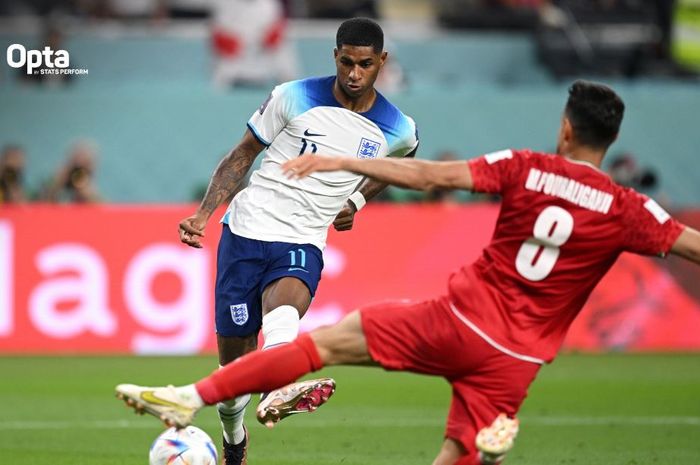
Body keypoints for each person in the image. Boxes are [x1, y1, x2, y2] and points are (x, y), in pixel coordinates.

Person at [116, 81, 700, 464]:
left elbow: (434, 177)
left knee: (330, 342)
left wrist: (343, 162)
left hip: (458, 321)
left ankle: (187, 396)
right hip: (518, 362)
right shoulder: (631, 209)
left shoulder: (526, 167)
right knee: (458, 453)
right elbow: (689, 245)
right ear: (612, 139)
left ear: (565, 130)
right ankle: (486, 452)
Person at [173, 17, 418, 465]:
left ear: (382, 62)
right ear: (335, 56)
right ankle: (234, 436)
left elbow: (405, 161)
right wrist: (204, 214)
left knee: (286, 307)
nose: (354, 74)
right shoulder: (293, 95)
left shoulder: (397, 128)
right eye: (346, 62)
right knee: (233, 371)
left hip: (303, 240)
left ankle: (280, 387)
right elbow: (243, 154)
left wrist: (359, 201)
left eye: (365, 64)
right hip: (246, 232)